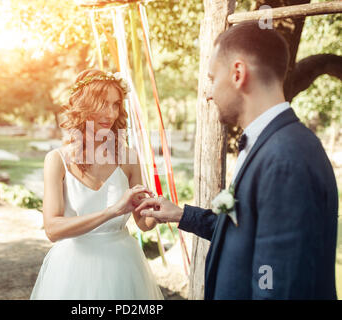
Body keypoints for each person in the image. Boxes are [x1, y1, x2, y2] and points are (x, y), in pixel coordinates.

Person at [135, 22, 339, 299]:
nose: (208, 93)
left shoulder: (285, 158)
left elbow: (279, 287)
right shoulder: (268, 142)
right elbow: (243, 230)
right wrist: (182, 215)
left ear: (238, 74)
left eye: (212, 78)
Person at [30, 69, 164, 300]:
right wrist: (113, 211)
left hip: (123, 265)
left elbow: (143, 223)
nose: (110, 113)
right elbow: (52, 229)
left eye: (115, 104)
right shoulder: (57, 160)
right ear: (83, 106)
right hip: (72, 268)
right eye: (102, 103)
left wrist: (157, 212)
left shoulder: (128, 158)